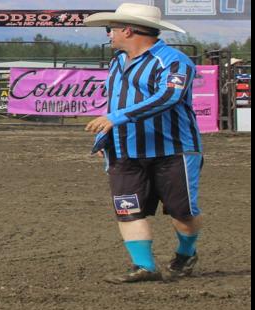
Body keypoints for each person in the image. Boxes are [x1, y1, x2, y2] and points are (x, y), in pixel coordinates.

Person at [82, 3, 204, 283]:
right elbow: (116, 98)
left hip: (173, 150)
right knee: (127, 208)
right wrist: (107, 134)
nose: (109, 35)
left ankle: (186, 253)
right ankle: (144, 266)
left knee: (182, 212)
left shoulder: (174, 61)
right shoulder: (117, 61)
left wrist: (117, 117)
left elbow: (168, 97)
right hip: (124, 150)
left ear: (128, 30)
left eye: (111, 29)